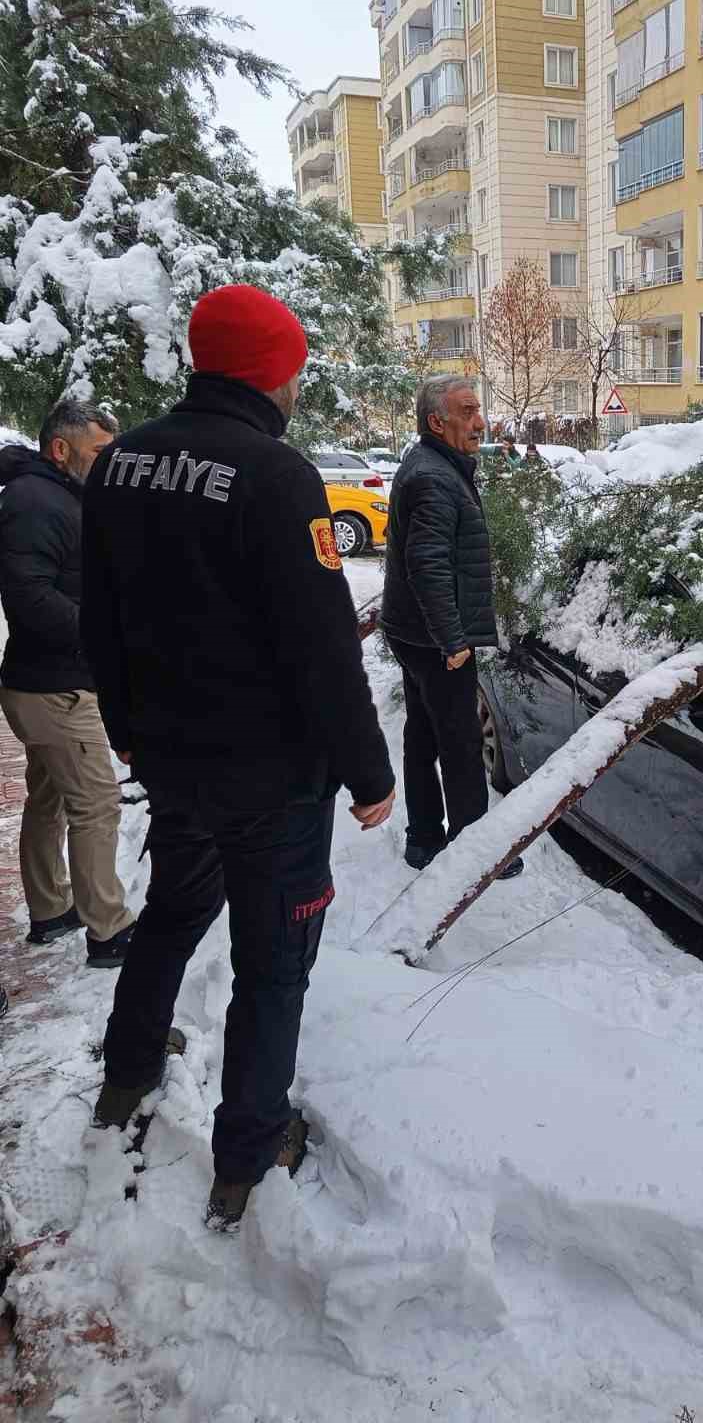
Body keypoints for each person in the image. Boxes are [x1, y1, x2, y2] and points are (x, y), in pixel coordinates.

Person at [81, 284, 395, 1232]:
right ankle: (249, 1148)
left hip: (171, 761)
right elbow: (321, 647)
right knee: (274, 961)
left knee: (174, 911)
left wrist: (128, 730)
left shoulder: (123, 461)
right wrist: (371, 774)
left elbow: (102, 616)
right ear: (272, 369)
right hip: (269, 778)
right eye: (294, 364)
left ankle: (128, 1068)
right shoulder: (274, 473)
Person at [0, 401, 135, 966]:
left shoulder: (59, 495)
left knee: (51, 798)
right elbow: (28, 597)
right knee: (97, 804)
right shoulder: (34, 503)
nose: (109, 461)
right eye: (99, 451)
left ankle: (51, 908)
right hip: (55, 687)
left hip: (46, 681)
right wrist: (99, 633)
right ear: (61, 449)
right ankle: (110, 929)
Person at [382, 374, 523, 878]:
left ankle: (423, 838)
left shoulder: (431, 465)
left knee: (422, 734)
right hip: (434, 640)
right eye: (467, 412)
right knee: (461, 744)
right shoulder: (434, 478)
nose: (479, 422)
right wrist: (453, 640)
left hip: (412, 632)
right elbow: (428, 564)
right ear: (437, 422)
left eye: (478, 410)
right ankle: (473, 853)